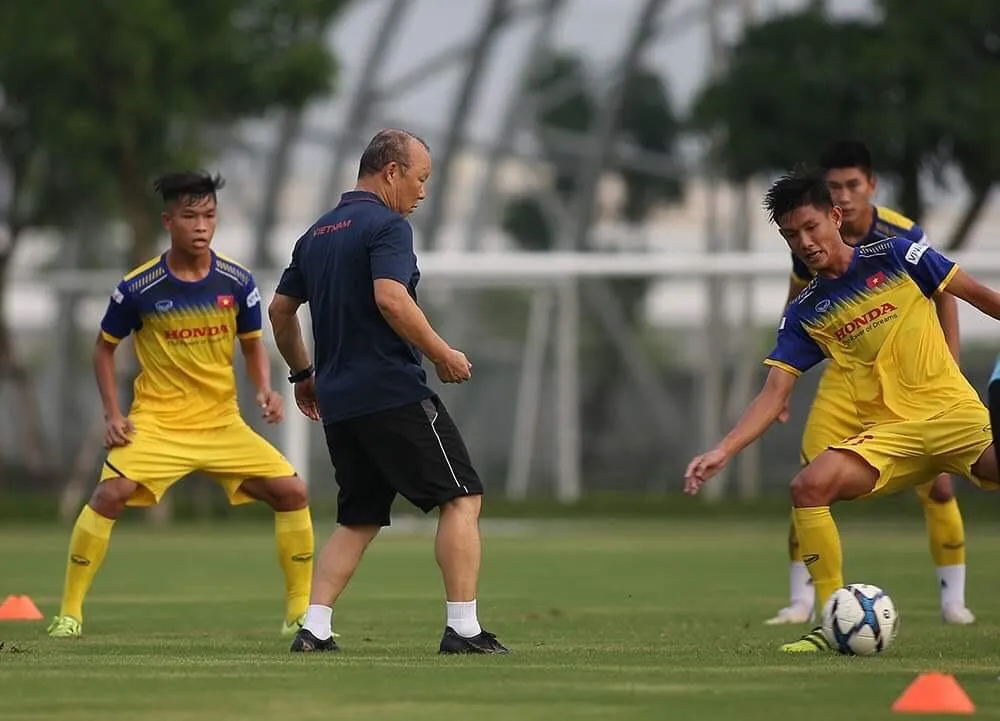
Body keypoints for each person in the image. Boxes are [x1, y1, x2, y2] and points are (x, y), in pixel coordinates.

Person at [684, 170, 1000, 654]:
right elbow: (774, 393)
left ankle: (952, 602)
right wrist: (723, 450)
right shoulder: (806, 311)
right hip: (889, 438)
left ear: (834, 217)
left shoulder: (898, 255)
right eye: (791, 235)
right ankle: (833, 622)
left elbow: (981, 298)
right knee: (808, 487)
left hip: (954, 417)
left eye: (811, 227)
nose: (805, 242)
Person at [268, 128, 508, 655]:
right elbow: (391, 299)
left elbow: (280, 312)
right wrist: (442, 354)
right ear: (392, 172)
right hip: (390, 392)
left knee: (358, 517)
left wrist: (303, 375)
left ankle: (314, 628)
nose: (423, 191)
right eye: (421, 178)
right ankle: (464, 629)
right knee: (461, 497)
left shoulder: (315, 235)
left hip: (339, 403)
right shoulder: (388, 226)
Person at [47, 172, 314, 639]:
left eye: (209, 215)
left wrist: (263, 389)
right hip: (158, 422)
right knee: (109, 494)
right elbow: (103, 349)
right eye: (190, 216)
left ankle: (298, 615)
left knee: (292, 492)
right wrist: (113, 415)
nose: (201, 226)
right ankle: (69, 614)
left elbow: (252, 343)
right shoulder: (139, 287)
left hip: (220, 423)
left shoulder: (237, 282)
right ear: (168, 221)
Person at [766, 141, 974, 628]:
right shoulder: (808, 241)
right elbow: (796, 306)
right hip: (846, 376)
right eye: (835, 185)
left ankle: (954, 601)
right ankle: (804, 603)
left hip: (912, 377)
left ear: (869, 187)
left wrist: (951, 363)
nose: (844, 194)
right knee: (810, 480)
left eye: (852, 185)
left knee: (939, 482)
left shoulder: (901, 237)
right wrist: (781, 384)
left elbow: (945, 293)